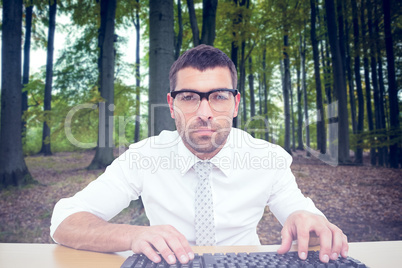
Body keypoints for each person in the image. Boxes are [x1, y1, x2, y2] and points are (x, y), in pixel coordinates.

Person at [50, 44, 348, 265]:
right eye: (190, 98)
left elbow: (301, 214)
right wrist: (131, 236)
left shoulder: (268, 158)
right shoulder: (143, 157)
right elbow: (64, 221)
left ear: (235, 104)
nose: (204, 113)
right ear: (171, 104)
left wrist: (306, 219)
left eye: (219, 97)